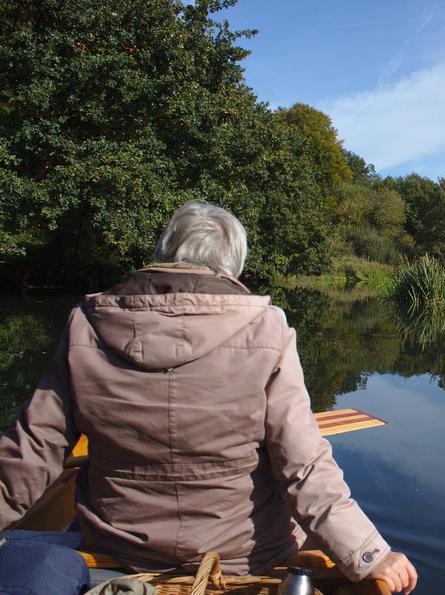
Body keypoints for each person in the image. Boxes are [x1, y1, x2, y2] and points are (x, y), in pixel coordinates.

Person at [0, 200, 417, 594]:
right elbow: (303, 465)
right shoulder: (267, 329)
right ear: (234, 264)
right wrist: (368, 553)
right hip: (242, 555)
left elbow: (34, 450)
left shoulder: (85, 325)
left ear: (165, 251)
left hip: (121, 549)